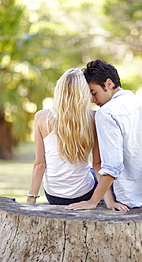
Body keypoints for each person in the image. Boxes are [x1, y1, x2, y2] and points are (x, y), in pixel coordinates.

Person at [65, 60, 142, 212]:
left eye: (93, 92)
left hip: (123, 195)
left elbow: (113, 165)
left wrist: (93, 201)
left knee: (85, 174)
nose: (92, 99)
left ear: (109, 83)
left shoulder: (106, 113)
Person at [26, 68, 124, 209]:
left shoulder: (42, 117)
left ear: (59, 91)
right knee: (98, 172)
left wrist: (31, 200)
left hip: (54, 196)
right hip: (84, 193)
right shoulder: (94, 117)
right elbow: (98, 165)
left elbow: (40, 164)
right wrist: (110, 201)